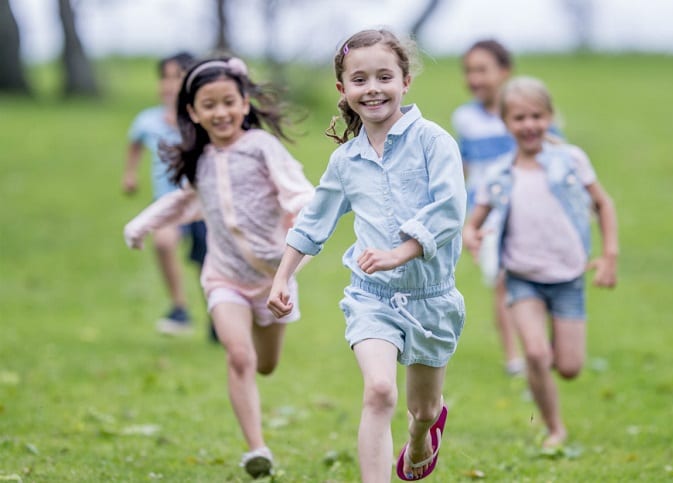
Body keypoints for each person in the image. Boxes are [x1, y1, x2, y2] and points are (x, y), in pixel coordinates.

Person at [267, 29, 466, 482]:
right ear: (343, 90)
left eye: (383, 76)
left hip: (431, 298)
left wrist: (402, 252)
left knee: (423, 408)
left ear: (405, 80)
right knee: (378, 391)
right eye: (359, 79)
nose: (372, 88)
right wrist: (283, 277)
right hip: (371, 296)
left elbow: (451, 209)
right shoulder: (346, 161)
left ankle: (421, 436)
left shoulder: (434, 142)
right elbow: (314, 220)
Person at [124, 57, 314, 478]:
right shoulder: (202, 159)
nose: (221, 112)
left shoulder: (263, 148)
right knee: (239, 355)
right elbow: (184, 201)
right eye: (208, 105)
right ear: (192, 112)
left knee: (266, 364)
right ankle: (256, 448)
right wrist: (142, 225)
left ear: (244, 103)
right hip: (224, 277)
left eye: (228, 101)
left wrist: (301, 214)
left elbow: (298, 191)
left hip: (273, 280)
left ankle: (257, 416)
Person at [463, 76, 618, 448]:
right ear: (505, 123)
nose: (529, 125)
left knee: (568, 367)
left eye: (536, 116)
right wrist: (471, 236)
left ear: (549, 116)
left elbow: (603, 204)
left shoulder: (571, 160)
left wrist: (609, 254)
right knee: (534, 352)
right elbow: (474, 220)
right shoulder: (500, 173)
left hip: (567, 277)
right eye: (519, 118)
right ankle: (554, 428)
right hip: (521, 276)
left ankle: (548, 360)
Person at [121, 52, 211, 337]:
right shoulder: (147, 120)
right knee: (163, 242)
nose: (171, 84)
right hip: (167, 202)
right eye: (165, 77)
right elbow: (134, 144)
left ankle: (217, 317)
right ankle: (179, 307)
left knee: (207, 262)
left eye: (179, 77)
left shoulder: (202, 116)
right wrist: (130, 174)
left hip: (204, 203)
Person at [451, 40, 525, 375]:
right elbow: (463, 168)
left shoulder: (525, 113)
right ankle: (514, 357)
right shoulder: (465, 119)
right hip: (487, 213)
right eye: (469, 71)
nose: (474, 78)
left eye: (482, 70)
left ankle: (537, 345)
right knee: (502, 280)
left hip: (525, 209)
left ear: (504, 72)